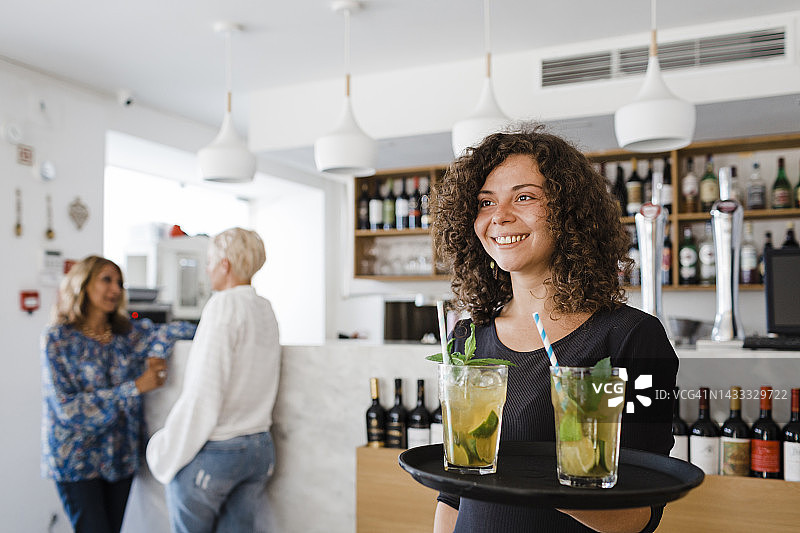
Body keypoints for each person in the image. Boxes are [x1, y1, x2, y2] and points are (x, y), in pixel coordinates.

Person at [430, 125, 678, 533]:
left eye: (524, 197)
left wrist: (553, 478)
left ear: (569, 212)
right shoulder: (466, 339)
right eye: (485, 202)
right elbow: (454, 493)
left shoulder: (633, 337)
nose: (500, 216)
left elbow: (640, 515)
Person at [41, 255, 196, 533]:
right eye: (106, 280)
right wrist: (136, 386)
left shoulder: (127, 334)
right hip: (77, 461)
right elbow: (68, 409)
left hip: (120, 457)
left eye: (120, 283)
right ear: (83, 284)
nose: (115, 289)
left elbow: (182, 328)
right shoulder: (58, 339)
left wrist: (156, 354)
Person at [146, 227, 281, 533]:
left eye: (209, 262)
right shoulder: (265, 308)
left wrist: (165, 448)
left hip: (220, 452)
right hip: (259, 448)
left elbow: (203, 392)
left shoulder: (223, 306)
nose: (206, 271)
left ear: (225, 265)